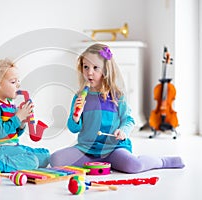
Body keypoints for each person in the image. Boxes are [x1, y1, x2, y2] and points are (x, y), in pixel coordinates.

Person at [50, 43, 185, 173]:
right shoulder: (79, 97)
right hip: (87, 150)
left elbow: (129, 120)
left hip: (114, 148)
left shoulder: (117, 96)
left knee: (134, 165)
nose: (89, 73)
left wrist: (123, 131)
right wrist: (75, 117)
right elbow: (74, 129)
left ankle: (162, 162)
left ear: (106, 70)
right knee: (56, 159)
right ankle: (102, 164)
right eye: (86, 67)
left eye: (95, 68)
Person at [0, 58, 50, 174]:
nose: (18, 85)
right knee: (33, 162)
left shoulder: (10, 104)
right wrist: (17, 118)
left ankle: (11, 162)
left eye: (18, 81)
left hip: (12, 147)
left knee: (45, 155)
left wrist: (21, 123)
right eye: (13, 82)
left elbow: (14, 134)